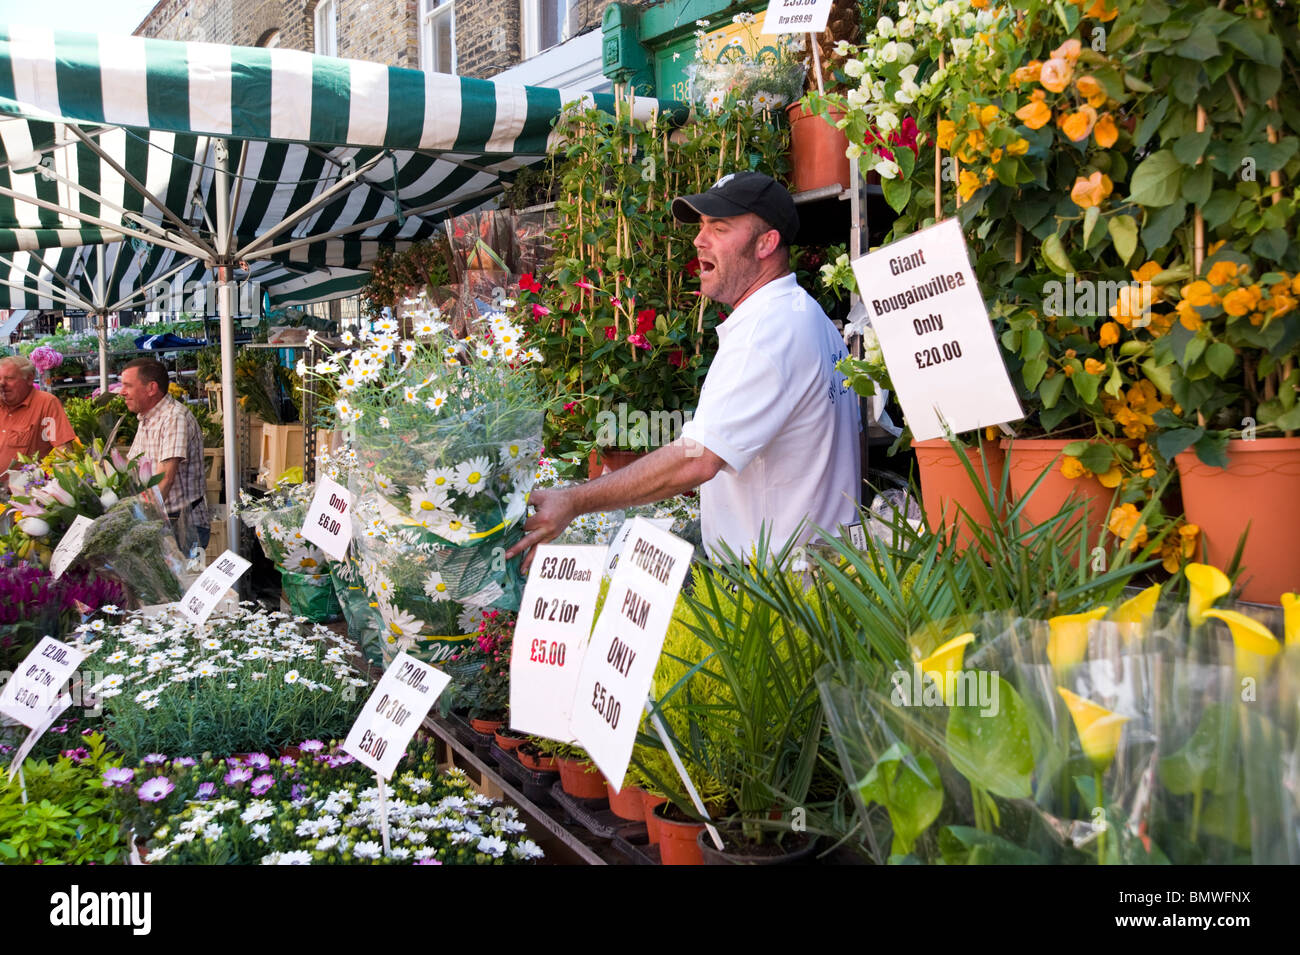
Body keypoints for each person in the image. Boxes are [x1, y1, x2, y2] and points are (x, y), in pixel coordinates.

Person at [509, 171, 861, 570]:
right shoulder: (803, 313)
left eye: (720, 227)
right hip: (818, 567)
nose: (699, 239)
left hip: (782, 582)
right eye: (702, 225)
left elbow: (697, 460)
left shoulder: (767, 333)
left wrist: (574, 500)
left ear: (767, 242)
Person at [119, 357, 211, 555]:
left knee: (185, 584)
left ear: (151, 388)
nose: (122, 392)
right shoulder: (147, 418)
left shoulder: (173, 418)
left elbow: (165, 479)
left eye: (128, 385)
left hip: (183, 528)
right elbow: (131, 467)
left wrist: (138, 519)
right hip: (164, 524)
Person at [0, 354, 75, 474]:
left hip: (25, 489)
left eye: (9, 378)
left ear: (29, 379)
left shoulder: (46, 403)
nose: (2, 384)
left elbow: (64, 450)